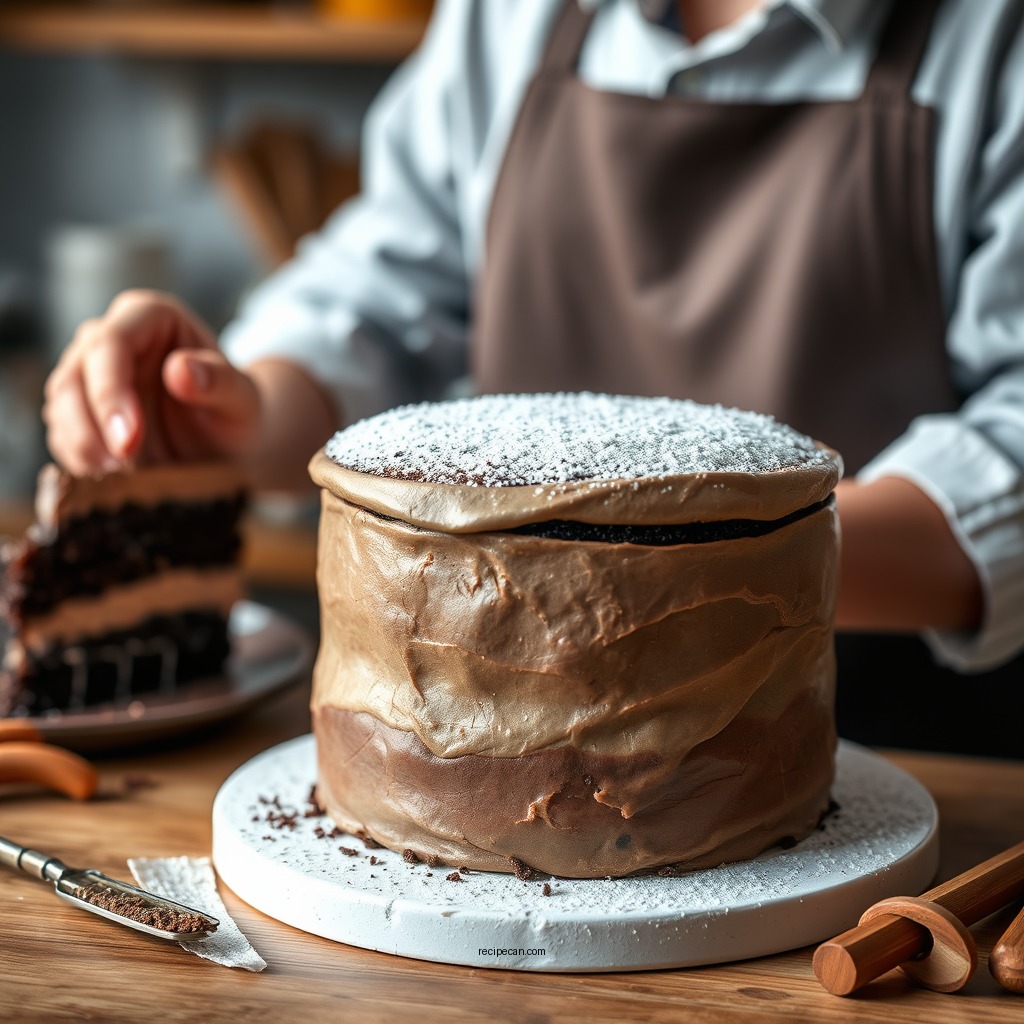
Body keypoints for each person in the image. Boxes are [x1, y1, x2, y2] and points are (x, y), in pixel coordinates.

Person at [42, 0, 1024, 755]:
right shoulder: (510, 17)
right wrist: (239, 411)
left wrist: (686, 571)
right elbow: (384, 290)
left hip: (888, 748)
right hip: (488, 746)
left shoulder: (990, 39)